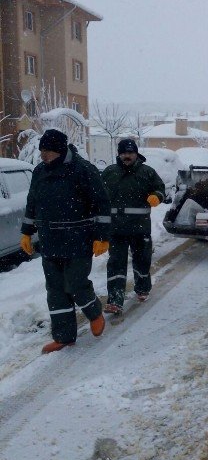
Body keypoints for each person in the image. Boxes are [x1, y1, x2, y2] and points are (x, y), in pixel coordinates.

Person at [20, 129, 111, 354]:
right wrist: (26, 231)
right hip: (50, 240)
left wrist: (102, 236)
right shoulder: (40, 171)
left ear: (60, 150)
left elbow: (101, 204)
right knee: (56, 289)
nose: (43, 155)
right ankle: (63, 336)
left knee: (75, 283)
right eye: (41, 150)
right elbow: (33, 202)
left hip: (78, 238)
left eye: (47, 151)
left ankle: (94, 313)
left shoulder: (83, 170)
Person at [101, 139, 167, 315]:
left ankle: (142, 288)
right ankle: (115, 300)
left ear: (136, 154)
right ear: (119, 154)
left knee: (142, 261)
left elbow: (161, 188)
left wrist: (156, 196)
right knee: (116, 264)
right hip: (116, 229)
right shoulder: (109, 173)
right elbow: (99, 197)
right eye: (124, 153)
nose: (127, 156)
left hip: (140, 228)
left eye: (130, 153)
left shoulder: (147, 172)